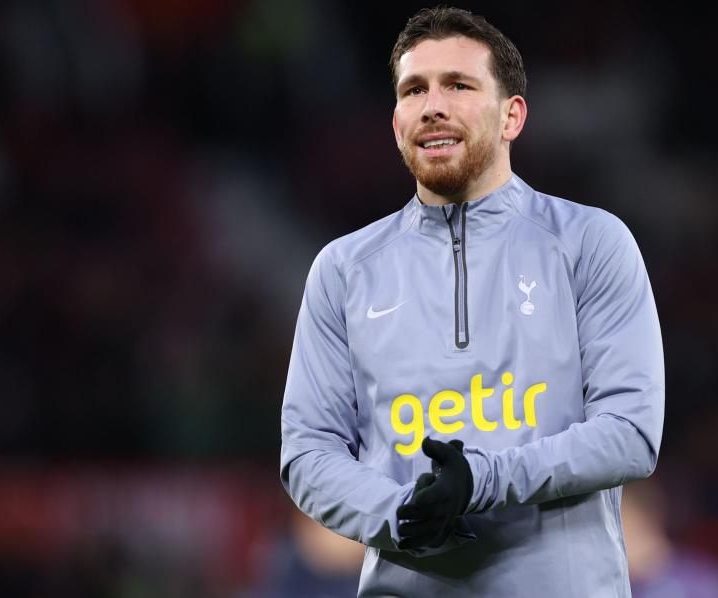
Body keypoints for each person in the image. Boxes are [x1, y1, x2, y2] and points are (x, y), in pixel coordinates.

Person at [280, 6, 665, 596]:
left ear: (512, 116)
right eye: (414, 89)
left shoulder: (590, 242)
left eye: (458, 85)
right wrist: (402, 512)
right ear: (396, 121)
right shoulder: (343, 270)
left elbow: (630, 433)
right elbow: (308, 451)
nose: (433, 104)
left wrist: (481, 480)